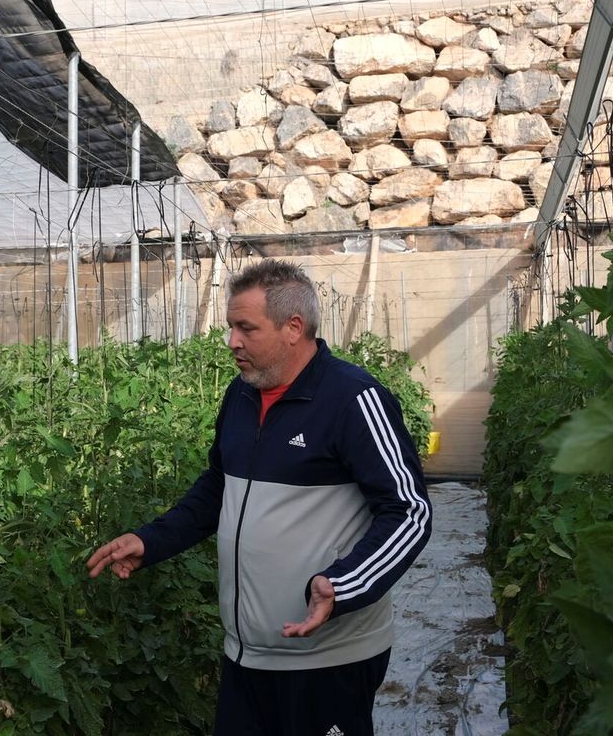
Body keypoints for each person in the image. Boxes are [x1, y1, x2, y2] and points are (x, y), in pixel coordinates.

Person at [87, 259, 432, 736]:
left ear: (293, 328)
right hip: (246, 655)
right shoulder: (242, 395)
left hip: (327, 659)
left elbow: (410, 511)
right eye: (231, 327)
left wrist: (343, 585)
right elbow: (218, 487)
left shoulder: (353, 399)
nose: (232, 341)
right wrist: (152, 540)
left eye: (246, 328)